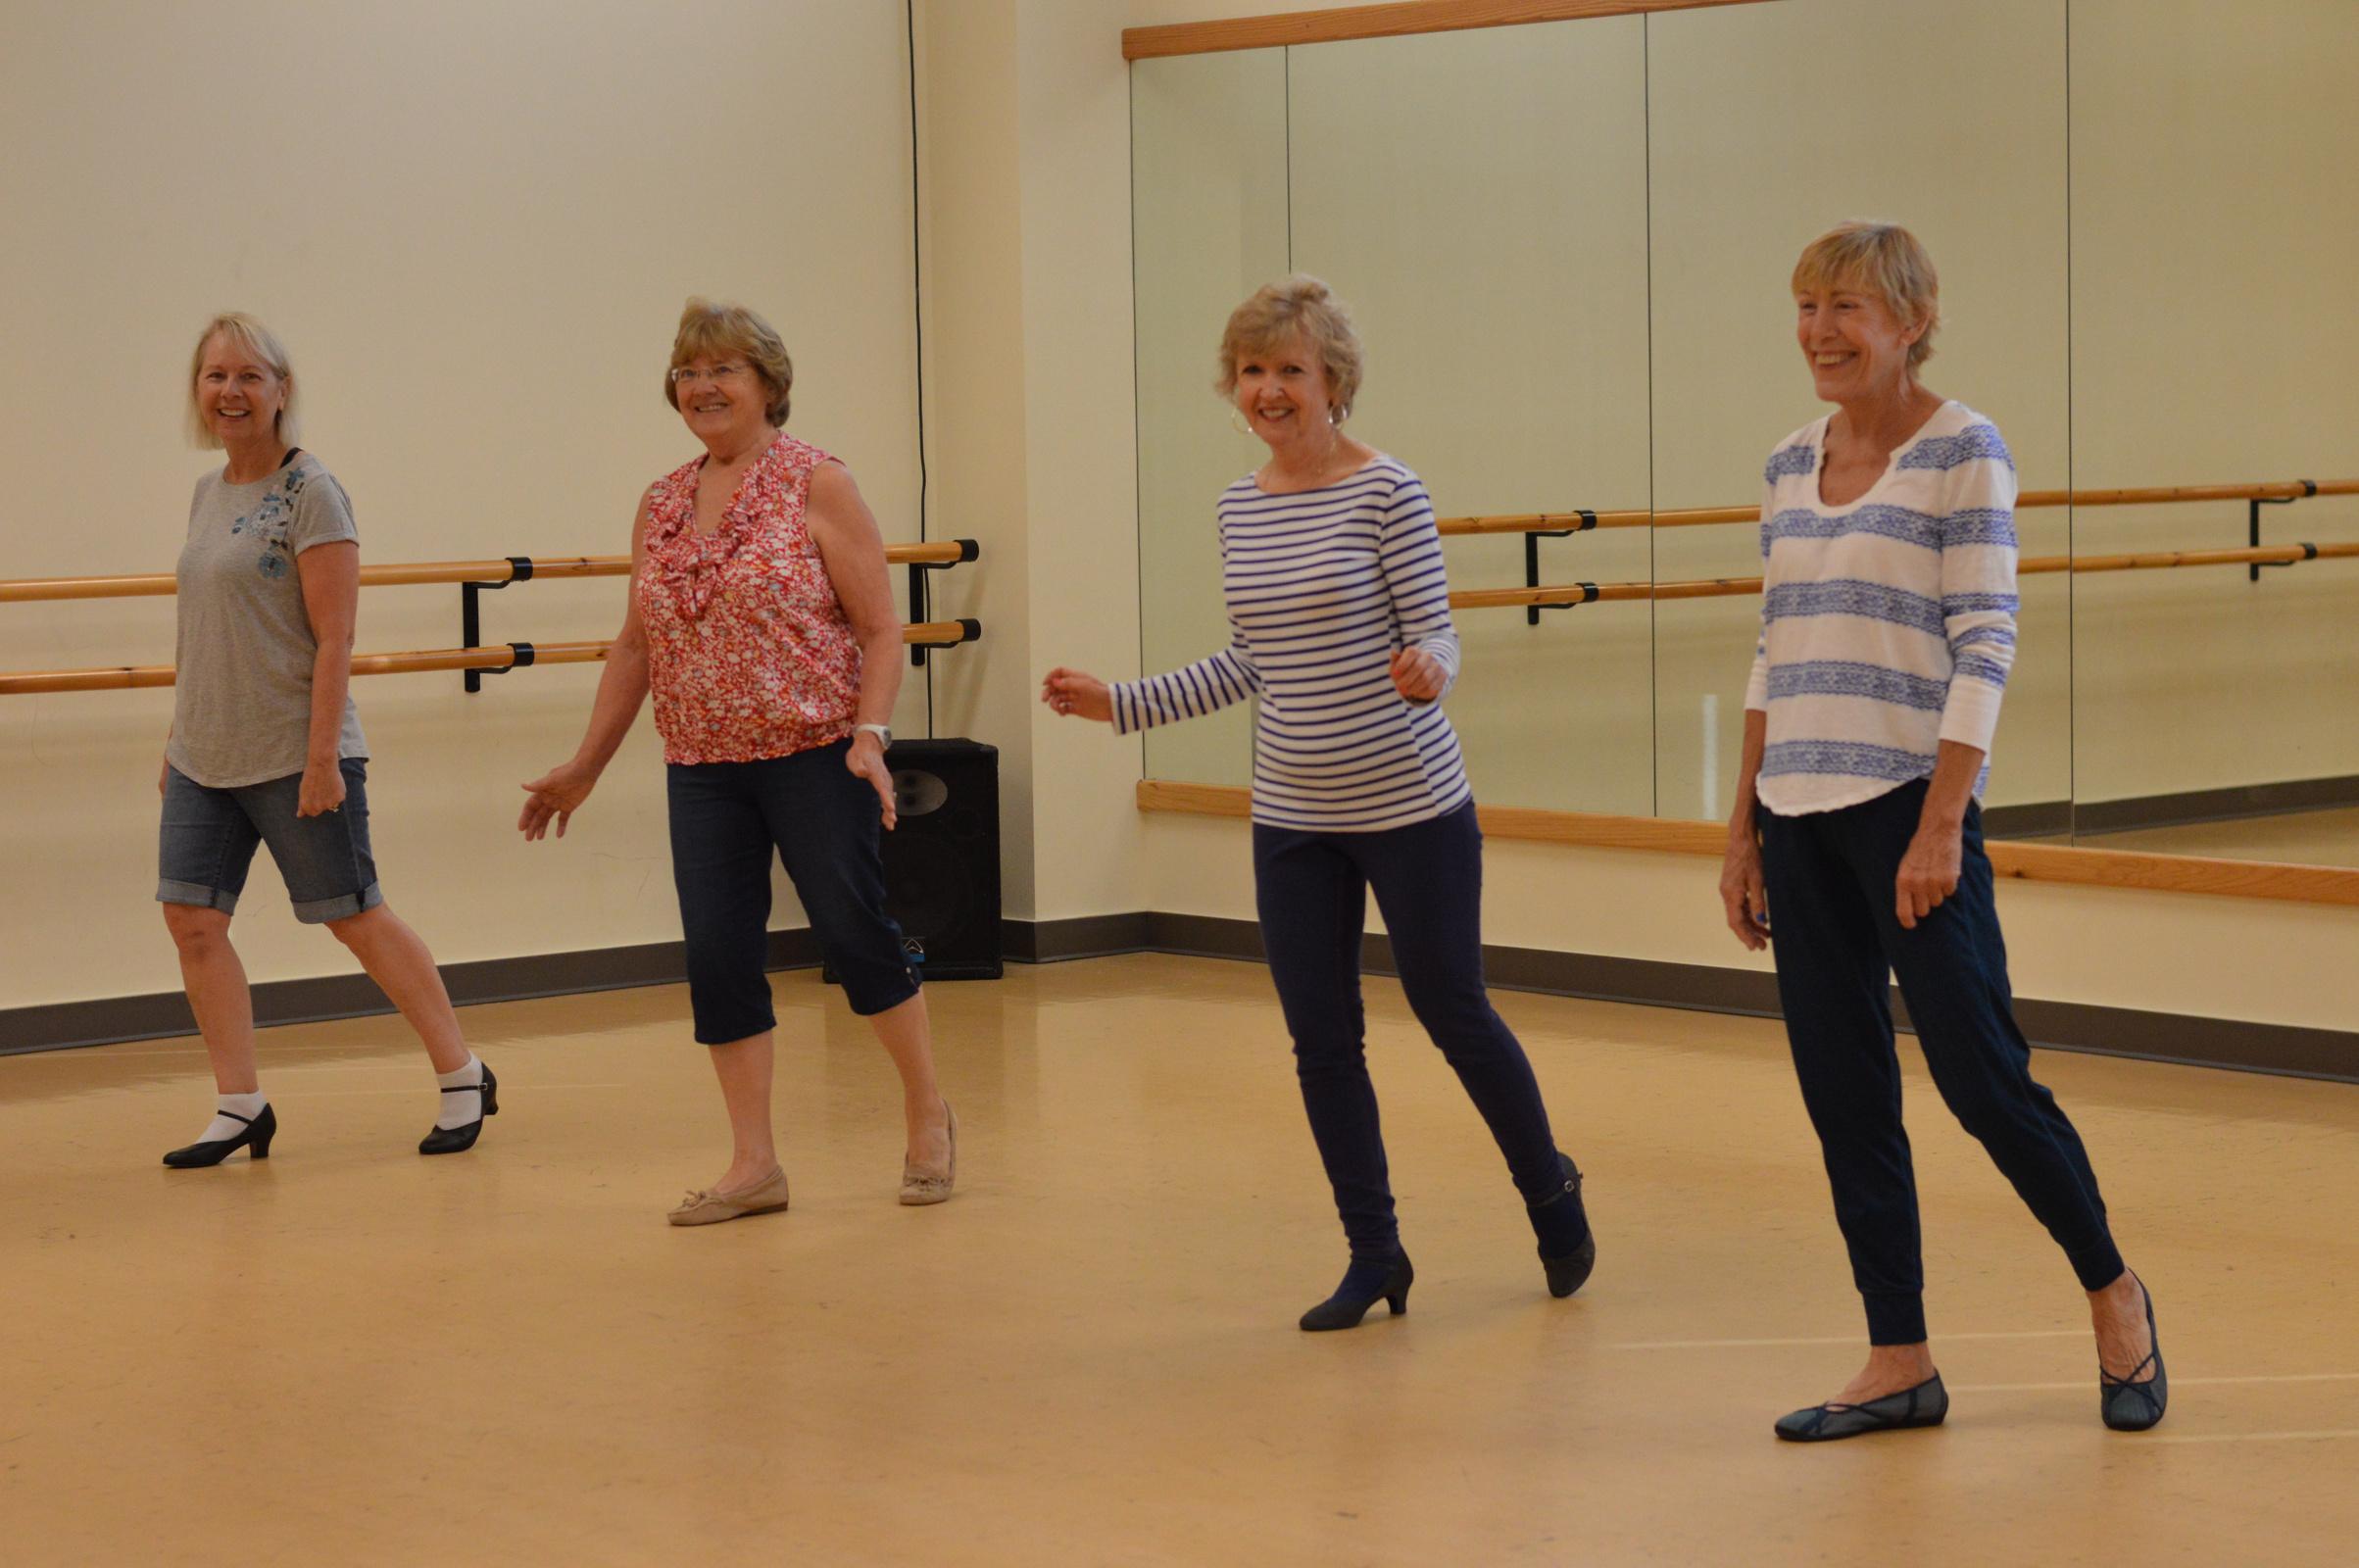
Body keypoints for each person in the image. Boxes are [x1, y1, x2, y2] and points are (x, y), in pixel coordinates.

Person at [1043, 276, 1594, 1331]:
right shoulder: (1238, 506)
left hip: (1411, 805)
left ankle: (1548, 1188)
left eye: (1289, 369)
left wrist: (1430, 669)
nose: (1269, 389)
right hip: (1293, 816)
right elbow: (1250, 661)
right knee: (1322, 1043)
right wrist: (1121, 703)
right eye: (1252, 371)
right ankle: (1373, 1251)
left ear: (1332, 380)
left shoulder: (1388, 491)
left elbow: (1436, 631)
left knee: (1453, 1010)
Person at [1719, 221, 2164, 1440]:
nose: (1819, 330)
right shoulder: (1786, 462)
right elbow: (1773, 652)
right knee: (1844, 1093)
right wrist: (1742, 829)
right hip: (1797, 816)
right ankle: (1898, 1355)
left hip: (1910, 818)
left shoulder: (1965, 449)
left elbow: (1985, 643)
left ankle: (2113, 1290)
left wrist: (1940, 823)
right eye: (1806, 305)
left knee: (1982, 1080)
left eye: (1846, 307)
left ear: (1911, 321)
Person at [519, 298, 953, 1224]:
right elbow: (636, 644)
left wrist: (870, 735)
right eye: (688, 371)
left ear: (768, 384)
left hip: (815, 754)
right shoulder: (661, 501)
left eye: (723, 369)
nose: (702, 386)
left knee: (854, 935)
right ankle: (754, 1164)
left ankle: (927, 1112)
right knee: (719, 955)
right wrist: (586, 764)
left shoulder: (817, 482)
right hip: (701, 765)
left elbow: (882, 629)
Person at [160, 313, 493, 1167]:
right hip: (204, 754)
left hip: (295, 751)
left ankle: (462, 1073)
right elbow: (204, 626)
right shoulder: (206, 492)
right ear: (198, 390)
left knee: (354, 917)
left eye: (249, 376)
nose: (231, 392)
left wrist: (321, 761)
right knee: (192, 921)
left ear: (281, 391)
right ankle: (240, 1104)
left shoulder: (312, 491)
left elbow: (336, 637)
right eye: (216, 376)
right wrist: (175, 737)